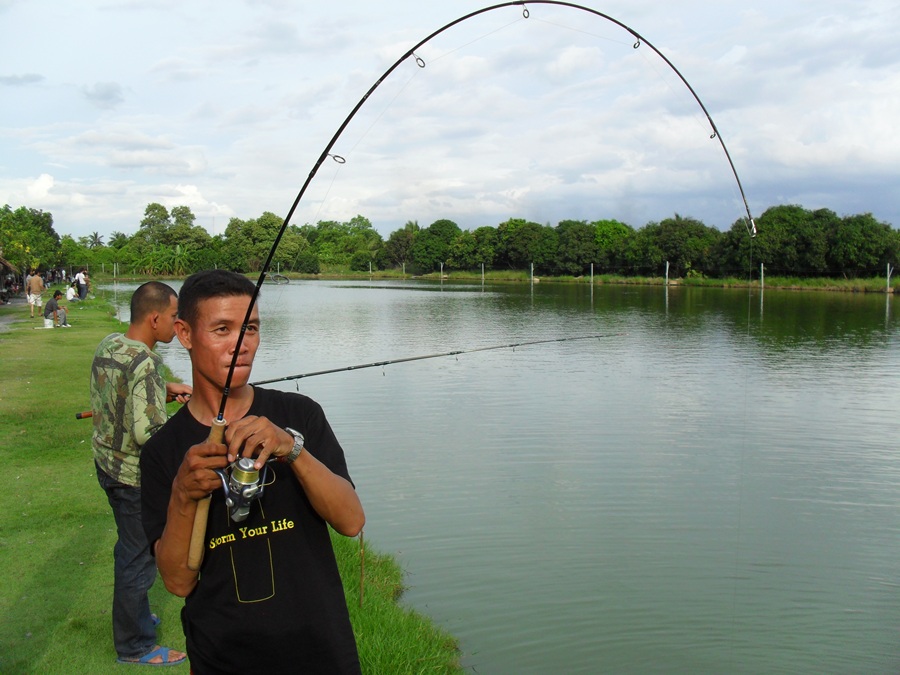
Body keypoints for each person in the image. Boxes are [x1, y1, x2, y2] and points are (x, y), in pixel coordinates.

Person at [140, 270, 365, 673]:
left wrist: (292, 448)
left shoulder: (299, 414)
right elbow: (177, 582)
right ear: (185, 334)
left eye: (251, 329)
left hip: (319, 650)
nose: (241, 346)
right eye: (222, 329)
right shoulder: (163, 451)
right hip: (222, 656)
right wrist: (183, 493)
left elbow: (351, 521)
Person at [90, 281, 192, 667]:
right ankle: (135, 644)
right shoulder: (145, 362)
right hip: (132, 478)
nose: (175, 323)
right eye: (172, 316)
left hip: (105, 464)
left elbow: (119, 387)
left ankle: (133, 616)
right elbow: (147, 433)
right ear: (154, 319)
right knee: (137, 557)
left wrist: (161, 389)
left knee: (127, 549)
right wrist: (186, 424)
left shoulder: (111, 344)